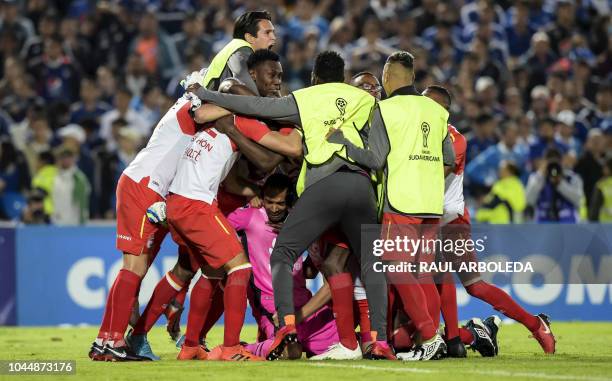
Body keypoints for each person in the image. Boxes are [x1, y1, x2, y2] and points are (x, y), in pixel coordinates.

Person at [193, 50, 394, 360]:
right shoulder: (365, 101)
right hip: (361, 187)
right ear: (342, 76)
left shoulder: (305, 98)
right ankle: (379, 341)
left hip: (323, 187)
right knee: (370, 264)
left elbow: (254, 105)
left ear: (315, 78)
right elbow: (381, 150)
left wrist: (205, 94)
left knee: (284, 253)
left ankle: (286, 326)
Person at [325, 52, 455, 361]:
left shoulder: (385, 109)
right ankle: (431, 339)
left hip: (402, 202)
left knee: (395, 267)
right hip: (431, 203)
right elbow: (449, 160)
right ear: (411, 77)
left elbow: (374, 159)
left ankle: (428, 334)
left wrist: (343, 141)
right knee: (421, 274)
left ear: (387, 77)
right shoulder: (435, 111)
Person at [87, 93, 230, 362]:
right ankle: (114, 340)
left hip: (144, 184)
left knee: (131, 269)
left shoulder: (183, 106)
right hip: (146, 186)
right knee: (134, 269)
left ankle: (105, 339)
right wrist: (245, 103)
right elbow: (206, 113)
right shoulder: (193, 107)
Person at [423, 85, 556, 356]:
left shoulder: (454, 139)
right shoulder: (418, 135)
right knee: (434, 280)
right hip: (424, 219)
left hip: (450, 221)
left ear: (440, 110)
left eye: (424, 104)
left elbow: (430, 174)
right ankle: (462, 337)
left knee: (474, 285)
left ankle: (533, 324)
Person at [227, 174, 340, 359]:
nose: (273, 208)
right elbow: (218, 226)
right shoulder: (250, 216)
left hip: (304, 302)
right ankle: (246, 349)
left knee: (341, 348)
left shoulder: (298, 223)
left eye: (279, 203)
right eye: (269, 202)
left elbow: (310, 270)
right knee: (291, 352)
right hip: (271, 306)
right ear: (262, 198)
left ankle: (269, 340)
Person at [195, 10, 276, 93]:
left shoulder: (240, 47)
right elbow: (250, 92)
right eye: (267, 32)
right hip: (208, 102)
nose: (273, 37)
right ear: (250, 38)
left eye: (273, 32)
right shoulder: (241, 51)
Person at [526, 148, 584, 223]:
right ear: (544, 162)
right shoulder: (536, 178)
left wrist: (560, 183)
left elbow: (579, 200)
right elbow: (529, 200)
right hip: (544, 223)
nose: (553, 168)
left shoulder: (571, 178)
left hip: (568, 223)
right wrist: (541, 176)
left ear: (561, 162)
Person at [589, 158, 612, 222]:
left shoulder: (601, 185)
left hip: (605, 225)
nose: (603, 170)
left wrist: (592, 225)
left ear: (608, 169)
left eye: (605, 167)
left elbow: (595, 207)